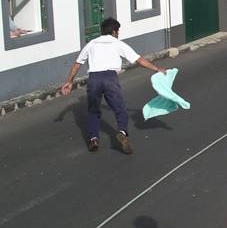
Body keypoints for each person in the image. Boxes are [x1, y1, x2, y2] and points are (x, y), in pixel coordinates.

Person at [59, 17, 165, 153]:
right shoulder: (117, 43)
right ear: (114, 31)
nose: (118, 33)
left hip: (94, 78)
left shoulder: (91, 43)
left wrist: (69, 82)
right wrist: (156, 69)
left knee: (93, 111)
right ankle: (122, 131)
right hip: (110, 78)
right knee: (120, 109)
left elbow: (77, 64)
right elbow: (139, 60)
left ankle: (93, 139)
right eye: (118, 31)